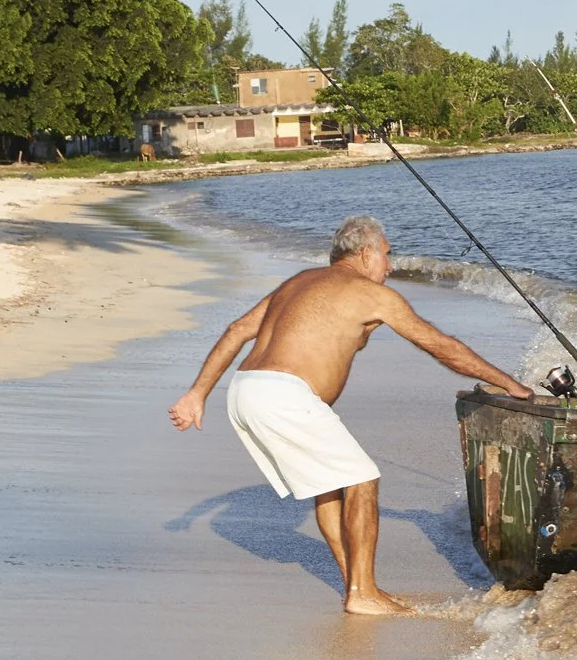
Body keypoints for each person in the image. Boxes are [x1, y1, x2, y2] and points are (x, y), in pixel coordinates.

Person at [167, 214, 533, 614]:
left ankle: (356, 587)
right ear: (365, 253)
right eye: (387, 255)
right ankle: (363, 593)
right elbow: (442, 346)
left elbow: (238, 329)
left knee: (331, 487)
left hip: (246, 390)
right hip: (283, 395)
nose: (391, 266)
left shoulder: (299, 282)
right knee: (363, 479)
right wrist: (508, 383)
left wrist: (197, 394)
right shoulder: (369, 294)